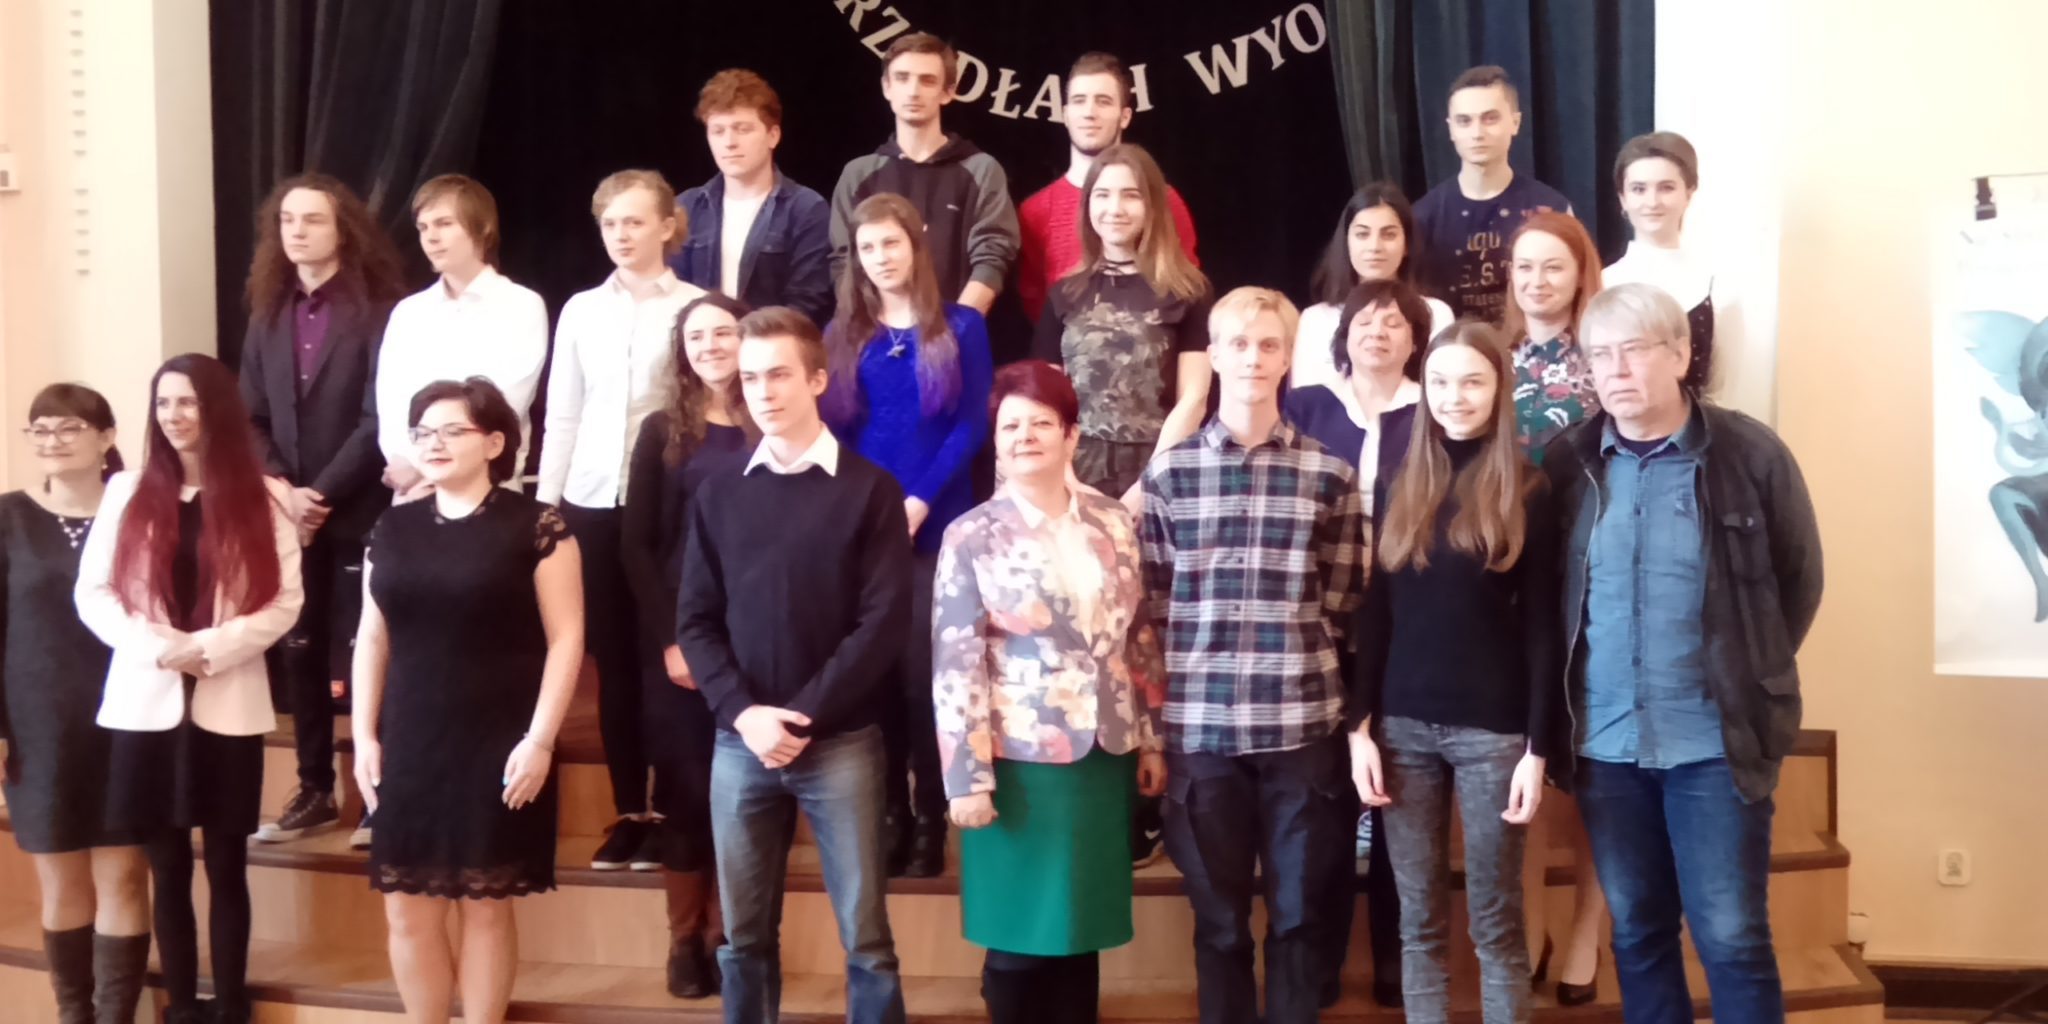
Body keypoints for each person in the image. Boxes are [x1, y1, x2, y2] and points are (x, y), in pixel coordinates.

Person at [1540, 283, 1823, 1024]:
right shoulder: (1570, 463)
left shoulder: (1751, 455)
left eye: (1634, 350)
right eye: (1600, 355)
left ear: (1680, 353)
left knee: (1732, 938)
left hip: (1715, 744)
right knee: (1637, 932)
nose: (1616, 370)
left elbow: (1797, 583)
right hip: (1606, 744)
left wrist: (1747, 672)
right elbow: (1550, 600)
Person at [677, 306, 912, 1024]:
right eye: (750, 379)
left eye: (778, 375)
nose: (763, 392)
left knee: (866, 940)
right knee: (743, 938)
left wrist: (801, 717)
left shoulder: (870, 490)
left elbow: (882, 625)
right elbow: (695, 622)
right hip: (741, 742)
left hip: (840, 743)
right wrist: (746, 715)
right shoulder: (719, 492)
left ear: (816, 379)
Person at [1139, 287, 1365, 1024]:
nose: (1253, 359)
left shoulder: (1329, 474)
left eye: (1269, 345)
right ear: (1213, 354)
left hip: (1299, 729)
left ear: (1288, 357)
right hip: (1201, 732)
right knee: (1221, 926)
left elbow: (1342, 602)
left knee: (1299, 920)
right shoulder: (1170, 475)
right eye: (1238, 344)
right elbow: (1154, 606)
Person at [932, 361, 1168, 1024]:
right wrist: (965, 778)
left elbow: (1138, 634)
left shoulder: (1113, 521)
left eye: (1041, 423)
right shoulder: (971, 534)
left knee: (1079, 929)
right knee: (1018, 937)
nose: (1025, 436)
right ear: (996, 441)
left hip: (1103, 758)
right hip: (1016, 765)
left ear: (1071, 435)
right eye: (1011, 426)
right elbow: (955, 662)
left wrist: (1151, 737)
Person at [76, 354, 305, 1024]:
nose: (173, 416)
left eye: (188, 402)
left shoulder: (266, 496)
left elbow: (286, 601)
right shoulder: (125, 491)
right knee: (167, 867)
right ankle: (180, 1006)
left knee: (228, 865)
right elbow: (93, 592)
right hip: (145, 702)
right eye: (163, 403)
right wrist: (160, 649)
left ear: (217, 410)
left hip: (226, 700)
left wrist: (209, 648)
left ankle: (230, 1007)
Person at [351, 377, 582, 1024]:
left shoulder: (536, 525)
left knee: (485, 907)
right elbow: (372, 637)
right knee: (406, 909)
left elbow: (567, 639)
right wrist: (365, 735)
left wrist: (540, 739)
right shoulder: (392, 527)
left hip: (500, 738)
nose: (434, 443)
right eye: (423, 432)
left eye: (453, 430)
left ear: (495, 443)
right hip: (411, 737)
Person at [1350, 321, 1561, 1024]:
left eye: (1472, 381)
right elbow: (1377, 611)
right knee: (1418, 922)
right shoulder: (1398, 483)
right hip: (1403, 728)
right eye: (1440, 382)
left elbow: (1543, 627)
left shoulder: (1529, 489)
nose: (1454, 396)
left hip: (1493, 734)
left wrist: (1538, 748)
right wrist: (1359, 728)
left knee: (1495, 923)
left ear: (1500, 388)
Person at [537, 169, 709, 872]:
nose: (621, 235)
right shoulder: (581, 310)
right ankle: (629, 811)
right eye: (610, 224)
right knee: (611, 662)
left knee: (663, 656)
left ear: (668, 226)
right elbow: (563, 414)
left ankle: (673, 810)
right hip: (591, 499)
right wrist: (547, 508)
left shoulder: (696, 308)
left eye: (634, 221)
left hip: (666, 503)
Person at [823, 192, 992, 877]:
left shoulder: (960, 325)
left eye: (890, 243)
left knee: (927, 678)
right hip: (865, 528)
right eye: (867, 248)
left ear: (915, 245)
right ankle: (890, 810)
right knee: (877, 677)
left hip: (937, 523)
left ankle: (929, 817)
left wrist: (919, 500)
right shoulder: (843, 333)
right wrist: (868, 507)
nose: (880, 257)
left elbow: (971, 423)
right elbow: (834, 431)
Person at [1279, 277, 1431, 1008]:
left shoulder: (1431, 409)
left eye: (1394, 321)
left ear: (1415, 339)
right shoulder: (1308, 405)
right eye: (1365, 319)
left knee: (1399, 791)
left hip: (1408, 626)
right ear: (1343, 336)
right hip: (1321, 622)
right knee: (1328, 803)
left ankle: (1397, 961)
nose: (1378, 330)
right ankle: (1322, 962)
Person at [240, 173, 404, 846]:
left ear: (343, 230)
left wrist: (323, 492)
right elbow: (250, 416)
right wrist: (285, 488)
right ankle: (314, 788)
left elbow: (378, 416)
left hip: (359, 504)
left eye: (312, 220)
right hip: (288, 511)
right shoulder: (267, 313)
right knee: (299, 648)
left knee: (370, 646)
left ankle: (380, 796)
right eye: (287, 220)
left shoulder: (379, 311)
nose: (297, 231)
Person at [620, 292, 760, 999]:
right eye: (696, 336)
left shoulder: (774, 423)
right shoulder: (660, 430)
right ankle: (683, 939)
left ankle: (725, 936)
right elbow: (636, 547)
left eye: (723, 333)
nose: (710, 346)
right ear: (682, 350)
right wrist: (671, 642)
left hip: (756, 641)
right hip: (680, 639)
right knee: (684, 787)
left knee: (743, 796)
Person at [2, 384, 152, 1024]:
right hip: (39, 723)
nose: (52, 441)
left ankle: (116, 1017)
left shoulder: (139, 515)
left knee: (124, 876)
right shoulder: (8, 516)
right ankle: (74, 1014)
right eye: (39, 429)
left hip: (129, 716)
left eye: (67, 428)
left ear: (106, 437)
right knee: (61, 882)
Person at [1031, 143, 1211, 516]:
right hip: (1074, 476)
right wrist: (1067, 479)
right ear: (1088, 206)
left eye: (1130, 195)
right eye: (1103, 195)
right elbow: (1046, 400)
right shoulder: (1065, 292)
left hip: (1161, 473)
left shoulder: (1188, 291)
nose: (1115, 208)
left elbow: (1194, 399)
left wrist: (1145, 490)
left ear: (1152, 205)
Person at [375, 174, 549, 502]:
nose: (431, 237)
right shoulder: (409, 312)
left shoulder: (521, 305)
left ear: (482, 228)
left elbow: (501, 404)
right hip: (414, 490)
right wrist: (408, 462)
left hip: (487, 486)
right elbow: (391, 401)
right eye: (423, 227)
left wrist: (427, 467)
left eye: (444, 224)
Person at [830, 32, 1018, 316]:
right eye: (902, 78)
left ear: (948, 92)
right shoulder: (858, 175)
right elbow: (844, 261)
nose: (913, 91)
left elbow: (993, 257)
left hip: (956, 331)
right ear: (886, 87)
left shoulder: (981, 169)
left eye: (927, 80)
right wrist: (884, 329)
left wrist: (953, 329)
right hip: (878, 332)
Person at [1016, 51, 1199, 325]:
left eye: (1103, 101)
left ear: (1124, 116)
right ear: (1065, 114)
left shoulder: (1162, 199)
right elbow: (1038, 309)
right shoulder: (1035, 211)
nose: (1089, 113)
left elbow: (1190, 294)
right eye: (1079, 101)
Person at [669, 69, 834, 326]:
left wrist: (750, 342)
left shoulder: (806, 209)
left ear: (773, 136)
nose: (729, 142)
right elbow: (672, 297)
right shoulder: (686, 207)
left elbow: (806, 305)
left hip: (773, 346)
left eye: (742, 129)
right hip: (701, 347)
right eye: (718, 131)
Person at [1413, 66, 1572, 323]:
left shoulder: (1552, 209)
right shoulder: (1421, 217)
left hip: (1533, 343)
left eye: (1490, 118)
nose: (1477, 133)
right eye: (1464, 121)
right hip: (1450, 345)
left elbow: (1577, 291)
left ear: (1515, 123)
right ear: (1451, 129)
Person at [1294, 183, 1455, 390]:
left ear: (1407, 244)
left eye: (1388, 235)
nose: (1374, 247)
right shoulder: (1315, 320)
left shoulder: (1436, 314)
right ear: (1347, 241)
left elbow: (1445, 392)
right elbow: (1305, 401)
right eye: (1362, 234)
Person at [1603, 131, 1716, 393]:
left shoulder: (1713, 282)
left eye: (1666, 188)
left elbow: (1722, 385)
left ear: (1689, 193)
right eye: (1638, 189)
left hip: (1698, 417)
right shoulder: (1601, 283)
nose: (1652, 202)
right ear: (1623, 198)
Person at [1503, 211, 1604, 454]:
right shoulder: (1492, 356)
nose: (1537, 281)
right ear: (1511, 273)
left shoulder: (1603, 360)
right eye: (1525, 267)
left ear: (1580, 275)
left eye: (1553, 268)